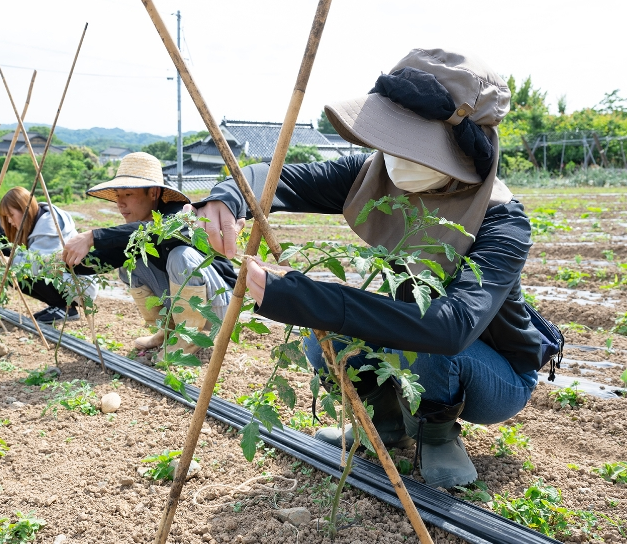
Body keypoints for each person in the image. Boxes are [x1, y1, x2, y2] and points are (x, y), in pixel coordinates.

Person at [189, 49, 542, 489]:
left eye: (417, 146)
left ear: (469, 150)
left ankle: (437, 435)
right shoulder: (377, 176)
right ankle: (384, 421)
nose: (396, 158)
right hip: (419, 344)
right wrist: (228, 197)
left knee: (429, 343)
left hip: (494, 375)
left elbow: (451, 327)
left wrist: (302, 297)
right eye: (390, 140)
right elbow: (279, 178)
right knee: (324, 342)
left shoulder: (502, 221)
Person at [60, 152, 236, 363]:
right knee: (129, 262)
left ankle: (188, 337)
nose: (120, 203)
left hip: (220, 307)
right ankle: (170, 330)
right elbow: (105, 259)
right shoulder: (136, 232)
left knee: (181, 256)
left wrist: (93, 236)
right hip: (191, 305)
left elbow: (155, 230)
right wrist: (68, 262)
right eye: (117, 195)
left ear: (153, 193)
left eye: (127, 195)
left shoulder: (180, 214)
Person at [0, 187, 98, 324]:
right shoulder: (39, 221)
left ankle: (65, 307)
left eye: (11, 215)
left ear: (24, 209)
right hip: (68, 281)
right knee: (13, 269)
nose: (9, 221)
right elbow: (25, 257)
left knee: (19, 270)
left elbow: (33, 265)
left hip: (80, 288)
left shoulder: (49, 225)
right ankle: (61, 305)